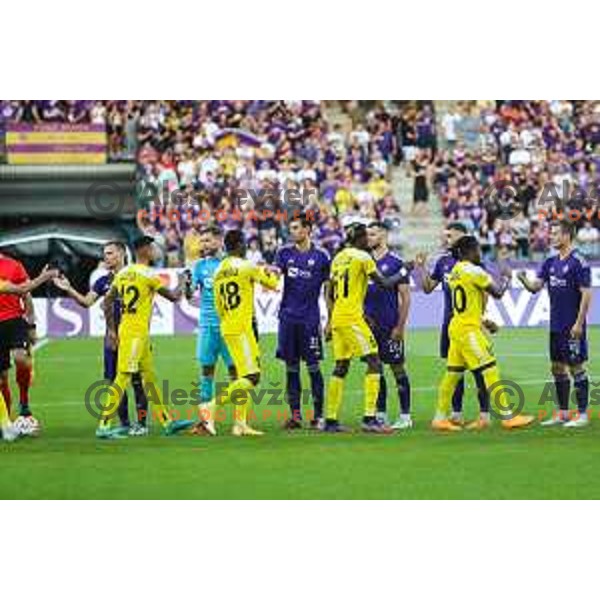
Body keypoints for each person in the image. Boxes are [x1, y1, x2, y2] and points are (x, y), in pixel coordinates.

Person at [431, 236, 535, 431]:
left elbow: (469, 302)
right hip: (469, 330)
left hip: (456, 327)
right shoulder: (475, 271)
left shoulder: (455, 271)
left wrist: (483, 320)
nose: (480, 254)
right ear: (467, 252)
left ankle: (440, 417)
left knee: (452, 374)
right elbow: (498, 293)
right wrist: (506, 277)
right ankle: (508, 416)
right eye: (477, 250)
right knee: (490, 369)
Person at [98, 235, 194, 439]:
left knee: (148, 378)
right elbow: (175, 297)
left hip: (130, 331)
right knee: (123, 376)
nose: (154, 251)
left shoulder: (123, 274)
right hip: (136, 333)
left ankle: (167, 422)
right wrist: (184, 280)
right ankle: (104, 425)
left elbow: (105, 303)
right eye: (151, 248)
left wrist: (112, 330)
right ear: (144, 251)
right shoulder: (148, 275)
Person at [324, 223, 413, 433]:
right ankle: (370, 418)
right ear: (360, 239)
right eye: (366, 236)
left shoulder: (338, 258)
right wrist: (405, 269)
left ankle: (330, 420)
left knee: (341, 366)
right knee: (374, 361)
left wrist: (330, 319)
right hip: (352, 319)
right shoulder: (363, 257)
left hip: (338, 317)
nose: (368, 240)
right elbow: (385, 283)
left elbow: (330, 291)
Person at [53, 241, 149, 436]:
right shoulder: (103, 281)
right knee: (113, 380)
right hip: (112, 338)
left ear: (122, 254)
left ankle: (142, 423)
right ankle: (124, 423)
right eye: (105, 254)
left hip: (133, 336)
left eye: (110, 253)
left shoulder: (137, 276)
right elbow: (87, 302)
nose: (106, 257)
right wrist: (68, 288)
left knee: (138, 380)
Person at [518, 220, 592, 427]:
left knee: (576, 367)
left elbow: (586, 294)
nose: (551, 236)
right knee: (557, 368)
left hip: (572, 326)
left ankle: (583, 414)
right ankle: (563, 413)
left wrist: (579, 324)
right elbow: (535, 287)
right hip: (555, 326)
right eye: (551, 233)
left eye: (555, 233)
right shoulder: (550, 262)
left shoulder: (579, 262)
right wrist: (523, 279)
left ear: (567, 236)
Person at [207, 229, 280, 436]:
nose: (247, 246)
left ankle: (240, 424)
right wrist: (273, 272)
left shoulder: (219, 270)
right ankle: (211, 406)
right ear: (239, 244)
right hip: (242, 328)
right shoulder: (247, 266)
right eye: (245, 243)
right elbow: (273, 284)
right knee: (253, 376)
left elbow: (218, 305)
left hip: (227, 325)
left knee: (242, 375)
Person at [274, 212, 331, 430]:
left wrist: (330, 319)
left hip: (310, 320)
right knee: (291, 367)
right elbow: (275, 275)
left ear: (308, 229)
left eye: (297, 228)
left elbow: (328, 289)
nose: (293, 232)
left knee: (313, 366)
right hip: (287, 318)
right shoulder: (284, 253)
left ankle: (318, 416)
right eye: (292, 228)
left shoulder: (322, 256)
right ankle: (295, 415)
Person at [0, 264, 59, 442]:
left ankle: (17, 413)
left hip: (13, 321)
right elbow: (22, 288)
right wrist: (44, 276)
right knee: (1, 377)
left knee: (20, 358)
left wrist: (31, 324)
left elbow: (23, 291)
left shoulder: (13, 266)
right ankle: (6, 422)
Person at [364, 221, 413, 430]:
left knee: (397, 368)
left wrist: (400, 328)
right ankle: (380, 412)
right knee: (375, 369)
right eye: (367, 234)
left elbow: (406, 298)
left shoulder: (395, 263)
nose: (369, 238)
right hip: (369, 326)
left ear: (383, 235)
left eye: (373, 234)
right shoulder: (363, 262)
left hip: (390, 324)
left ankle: (405, 415)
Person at [189, 225, 236, 436]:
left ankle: (240, 420)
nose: (204, 245)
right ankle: (207, 422)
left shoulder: (231, 264)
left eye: (207, 240)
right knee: (206, 371)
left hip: (229, 327)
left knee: (236, 373)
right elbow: (189, 296)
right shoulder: (199, 266)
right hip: (208, 326)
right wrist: (187, 284)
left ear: (219, 241)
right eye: (202, 241)